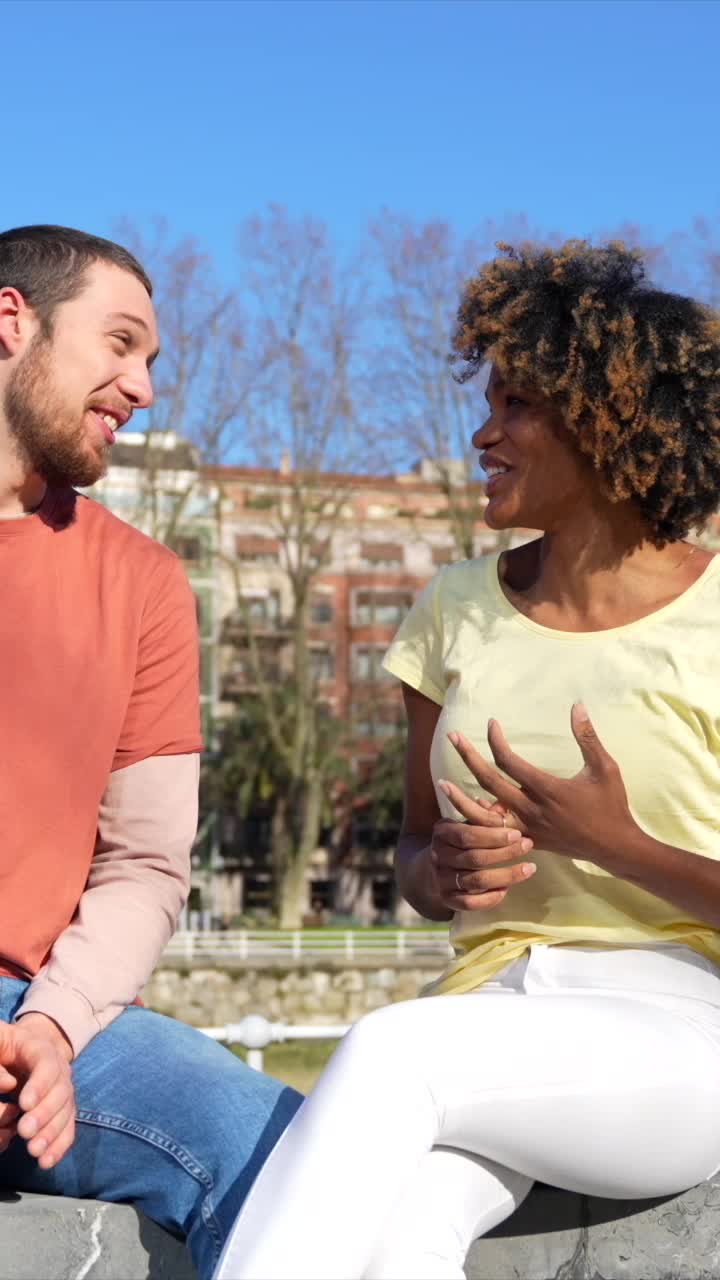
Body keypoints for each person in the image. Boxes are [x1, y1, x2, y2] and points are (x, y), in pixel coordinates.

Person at [213, 240, 720, 1280]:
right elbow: (410, 857)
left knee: (392, 1048)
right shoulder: (453, 609)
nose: (482, 431)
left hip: (685, 1023)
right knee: (402, 1241)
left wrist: (615, 845)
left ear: (608, 416)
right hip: (489, 1007)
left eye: (516, 402)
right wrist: (439, 870)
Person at [0, 225, 302, 1280]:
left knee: (294, 1155)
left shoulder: (143, 584)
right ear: (11, 321)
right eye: (120, 344)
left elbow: (144, 865)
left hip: (39, 1014)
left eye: (154, 361)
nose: (143, 385)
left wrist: (54, 1024)